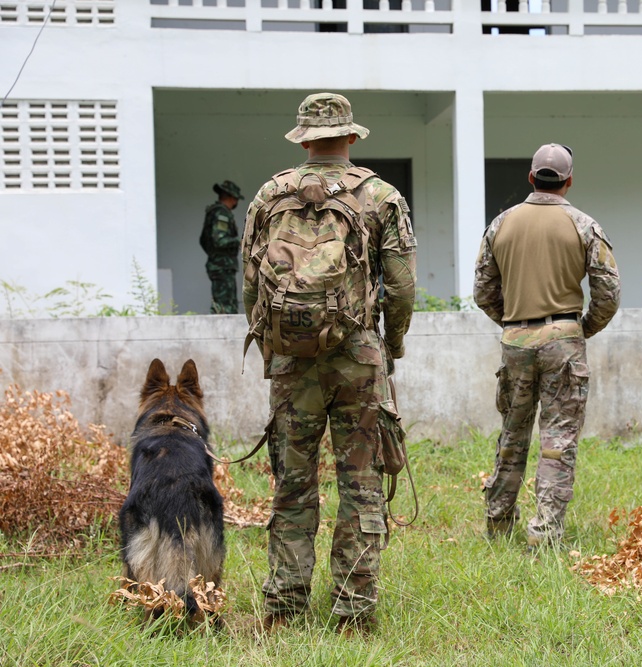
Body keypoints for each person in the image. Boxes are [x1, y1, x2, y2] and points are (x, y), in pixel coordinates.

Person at [241, 93, 417, 635]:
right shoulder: (381, 196)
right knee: (360, 482)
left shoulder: (270, 196)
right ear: (352, 137)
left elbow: (251, 284)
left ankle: (285, 607)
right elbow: (403, 287)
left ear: (302, 139)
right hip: (357, 357)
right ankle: (352, 612)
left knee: (293, 483)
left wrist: (274, 339)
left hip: (293, 363)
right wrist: (392, 343)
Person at [474, 143, 620, 552]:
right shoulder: (583, 225)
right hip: (563, 340)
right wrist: (578, 329)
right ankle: (545, 534)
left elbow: (482, 291)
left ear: (531, 177)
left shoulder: (500, 224)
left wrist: (514, 322)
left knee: (512, 434)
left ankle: (498, 524)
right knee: (557, 442)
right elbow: (608, 293)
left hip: (515, 341)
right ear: (569, 181)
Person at [201, 179, 243, 314]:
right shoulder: (222, 214)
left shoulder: (214, 212)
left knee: (226, 304)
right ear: (231, 197)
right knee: (225, 307)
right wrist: (240, 241)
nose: (236, 202)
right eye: (236, 199)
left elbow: (203, 240)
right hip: (222, 266)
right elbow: (220, 240)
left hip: (219, 265)